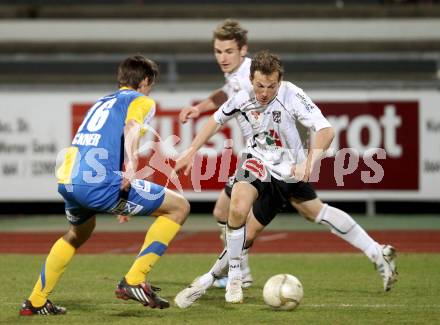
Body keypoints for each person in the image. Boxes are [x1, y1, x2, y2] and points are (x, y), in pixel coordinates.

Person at [173, 50, 397, 307]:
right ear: (251, 80)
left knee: (311, 213)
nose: (265, 92)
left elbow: (325, 130)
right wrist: (190, 152)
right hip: (256, 160)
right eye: (259, 85)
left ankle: (377, 252)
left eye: (271, 86)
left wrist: (309, 162)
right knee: (236, 207)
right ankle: (233, 277)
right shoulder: (243, 96)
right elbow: (215, 120)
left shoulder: (292, 94)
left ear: (279, 82)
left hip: (288, 170)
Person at [19, 55, 190, 316]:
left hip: (71, 178)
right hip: (98, 182)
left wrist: (121, 194)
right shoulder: (141, 100)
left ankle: (36, 300)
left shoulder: (101, 101)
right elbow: (133, 127)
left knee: (78, 234)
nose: (150, 89)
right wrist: (131, 167)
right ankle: (134, 279)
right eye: (151, 84)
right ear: (145, 81)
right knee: (179, 207)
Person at [179, 19, 254, 288]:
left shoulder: (248, 78)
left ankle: (237, 274)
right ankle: (238, 272)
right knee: (224, 211)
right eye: (218, 51)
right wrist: (199, 108)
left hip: (265, 155)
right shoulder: (237, 73)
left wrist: (191, 150)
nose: (222, 58)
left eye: (228, 51)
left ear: (243, 50)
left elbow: (220, 117)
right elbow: (225, 93)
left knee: (231, 213)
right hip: (255, 153)